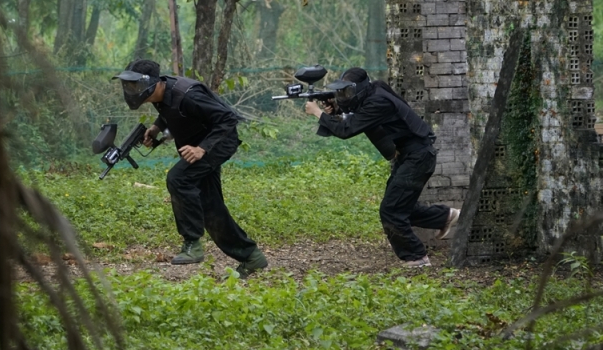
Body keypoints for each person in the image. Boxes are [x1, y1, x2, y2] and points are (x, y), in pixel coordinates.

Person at [112, 59, 268, 278]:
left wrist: (201, 149)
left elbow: (227, 118)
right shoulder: (161, 94)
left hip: (218, 142)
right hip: (203, 141)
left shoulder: (188, 95)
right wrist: (157, 127)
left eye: (134, 85)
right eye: (129, 85)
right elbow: (170, 110)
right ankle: (252, 257)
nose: (131, 90)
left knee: (178, 179)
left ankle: (192, 243)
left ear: (152, 83)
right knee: (210, 205)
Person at [304, 67, 460, 267]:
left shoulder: (378, 101)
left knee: (391, 211)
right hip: (410, 155)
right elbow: (357, 113)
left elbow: (347, 129)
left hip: (417, 157)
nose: (344, 97)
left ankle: (416, 258)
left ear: (359, 89)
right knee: (399, 207)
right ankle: (445, 216)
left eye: (347, 92)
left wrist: (318, 113)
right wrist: (337, 110)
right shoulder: (374, 90)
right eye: (341, 93)